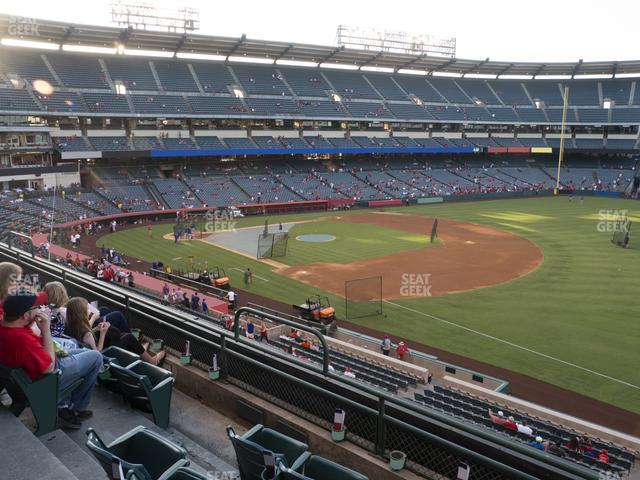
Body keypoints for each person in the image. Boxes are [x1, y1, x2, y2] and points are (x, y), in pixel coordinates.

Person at [0, 292, 102, 429]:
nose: (40, 309)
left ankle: (64, 405)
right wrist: (46, 331)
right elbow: (49, 367)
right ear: (24, 316)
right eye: (37, 307)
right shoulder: (22, 340)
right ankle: (76, 408)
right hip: (45, 380)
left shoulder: (6, 326)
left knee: (85, 352)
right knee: (96, 357)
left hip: (26, 375)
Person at [65, 297, 165, 365]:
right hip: (105, 355)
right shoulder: (87, 334)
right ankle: (152, 360)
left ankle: (139, 349)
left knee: (122, 334)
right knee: (128, 337)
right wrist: (103, 334)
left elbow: (86, 335)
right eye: (87, 309)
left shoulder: (70, 324)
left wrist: (96, 329)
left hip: (88, 350)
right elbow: (97, 353)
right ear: (81, 314)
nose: (89, 311)